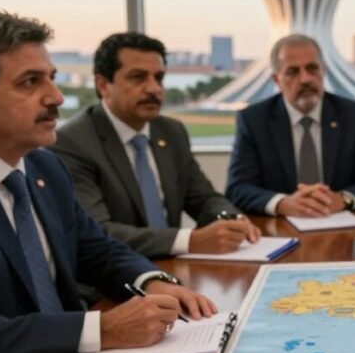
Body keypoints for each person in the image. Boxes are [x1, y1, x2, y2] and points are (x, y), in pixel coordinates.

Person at [0, 12, 216, 353]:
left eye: (51, 77)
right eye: (31, 82)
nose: (57, 97)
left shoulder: (44, 167)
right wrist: (100, 329)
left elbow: (96, 249)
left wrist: (151, 281)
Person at [52, 33, 260, 259]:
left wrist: (230, 218)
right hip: (114, 282)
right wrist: (191, 240)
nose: (154, 89)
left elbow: (204, 199)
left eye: (158, 77)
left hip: (174, 267)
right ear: (103, 85)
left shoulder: (171, 132)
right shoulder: (72, 143)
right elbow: (99, 233)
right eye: (138, 77)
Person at [226, 34, 355, 217]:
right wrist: (281, 203)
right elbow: (238, 188)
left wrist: (343, 199)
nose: (305, 79)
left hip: (339, 226)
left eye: (312, 68)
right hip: (280, 230)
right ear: (276, 80)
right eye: (293, 72)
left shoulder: (354, 116)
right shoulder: (254, 120)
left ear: (323, 71)